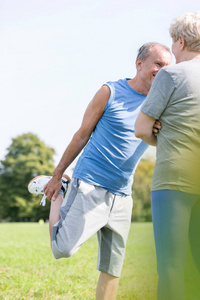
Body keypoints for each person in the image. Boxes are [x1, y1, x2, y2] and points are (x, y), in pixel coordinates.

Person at [30, 42, 171, 300]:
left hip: (122, 195)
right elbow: (82, 135)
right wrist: (56, 174)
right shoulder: (110, 91)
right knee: (62, 249)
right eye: (158, 64)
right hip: (90, 184)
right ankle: (60, 189)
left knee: (112, 268)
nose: (162, 71)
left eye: (167, 67)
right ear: (139, 64)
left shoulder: (159, 103)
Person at [135, 12, 200, 300]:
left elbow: (141, 129)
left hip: (175, 181)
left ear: (181, 41)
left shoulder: (171, 74)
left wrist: (158, 133)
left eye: (173, 43)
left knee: (172, 267)